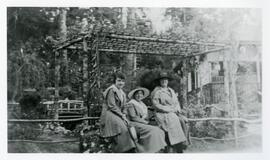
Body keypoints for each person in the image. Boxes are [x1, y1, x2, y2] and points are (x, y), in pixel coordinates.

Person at [151, 72, 189, 153]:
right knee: (173, 120)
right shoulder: (157, 91)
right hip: (162, 113)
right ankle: (174, 144)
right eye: (162, 80)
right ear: (160, 81)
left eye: (165, 79)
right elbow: (156, 105)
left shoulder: (171, 90)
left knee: (183, 121)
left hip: (173, 112)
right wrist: (168, 109)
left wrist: (176, 109)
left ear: (168, 81)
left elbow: (176, 102)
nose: (164, 81)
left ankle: (182, 143)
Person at [99, 72, 136, 153]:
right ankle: (123, 150)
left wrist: (125, 114)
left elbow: (125, 106)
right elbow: (112, 106)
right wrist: (122, 115)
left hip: (119, 113)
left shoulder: (122, 93)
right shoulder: (112, 90)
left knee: (129, 126)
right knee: (122, 128)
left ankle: (130, 148)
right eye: (119, 80)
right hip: (110, 113)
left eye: (122, 81)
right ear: (115, 81)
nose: (121, 83)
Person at [124, 87, 167, 153]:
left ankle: (157, 149)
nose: (139, 95)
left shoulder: (142, 104)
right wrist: (146, 122)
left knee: (160, 130)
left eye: (141, 94)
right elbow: (133, 117)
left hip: (142, 122)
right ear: (134, 95)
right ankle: (148, 150)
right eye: (137, 94)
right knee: (154, 130)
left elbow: (146, 116)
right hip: (134, 123)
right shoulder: (131, 103)